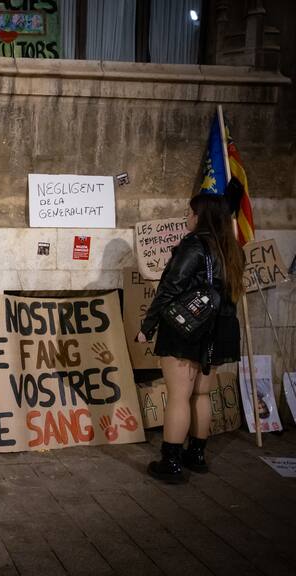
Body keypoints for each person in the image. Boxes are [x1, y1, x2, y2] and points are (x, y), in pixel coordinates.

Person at [137, 193, 244, 483]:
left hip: (187, 331)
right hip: (220, 330)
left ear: (202, 216)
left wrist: (147, 326)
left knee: (178, 396)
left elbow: (169, 288)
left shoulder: (194, 246)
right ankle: (196, 454)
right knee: (201, 393)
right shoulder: (232, 249)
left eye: (190, 212)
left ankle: (170, 462)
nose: (187, 216)